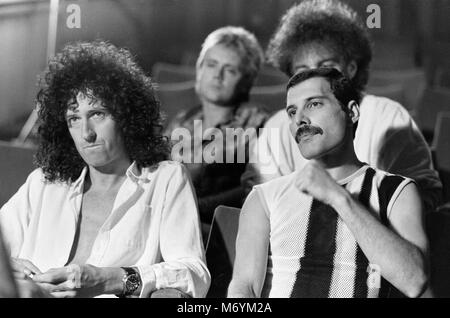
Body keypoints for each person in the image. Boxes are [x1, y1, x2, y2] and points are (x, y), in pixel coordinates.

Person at [0, 41, 210, 298]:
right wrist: (10, 268)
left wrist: (111, 279)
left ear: (126, 115)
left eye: (97, 114)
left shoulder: (165, 178)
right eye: (74, 119)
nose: (86, 134)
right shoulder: (43, 183)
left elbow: (194, 273)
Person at [229, 68, 429, 298]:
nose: (300, 119)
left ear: (352, 112)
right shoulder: (265, 197)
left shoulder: (396, 191)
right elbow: (243, 288)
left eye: (314, 104)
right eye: (292, 112)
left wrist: (338, 197)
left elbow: (414, 281)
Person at [243, 0, 442, 213]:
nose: (314, 79)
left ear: (352, 68)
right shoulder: (277, 126)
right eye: (302, 71)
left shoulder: (388, 117)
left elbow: (424, 194)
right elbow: (259, 202)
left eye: (326, 67)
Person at [166, 26, 268, 232]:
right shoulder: (182, 121)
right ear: (199, 69)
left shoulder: (257, 124)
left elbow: (254, 190)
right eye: (211, 65)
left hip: (218, 231)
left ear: (246, 82)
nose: (218, 75)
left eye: (230, 70)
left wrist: (192, 207)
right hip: (171, 222)